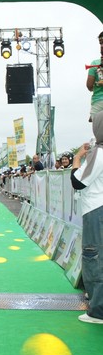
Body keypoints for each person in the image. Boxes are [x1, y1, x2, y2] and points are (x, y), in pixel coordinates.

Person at [71, 110, 103, 324]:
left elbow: (78, 181)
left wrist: (77, 158)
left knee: (94, 257)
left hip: (96, 208)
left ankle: (98, 311)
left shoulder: (99, 153)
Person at [86, 31, 103, 122]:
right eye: (100, 43)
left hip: (98, 102)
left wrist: (97, 84)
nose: (102, 46)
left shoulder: (94, 63)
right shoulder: (95, 64)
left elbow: (89, 86)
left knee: (97, 127)